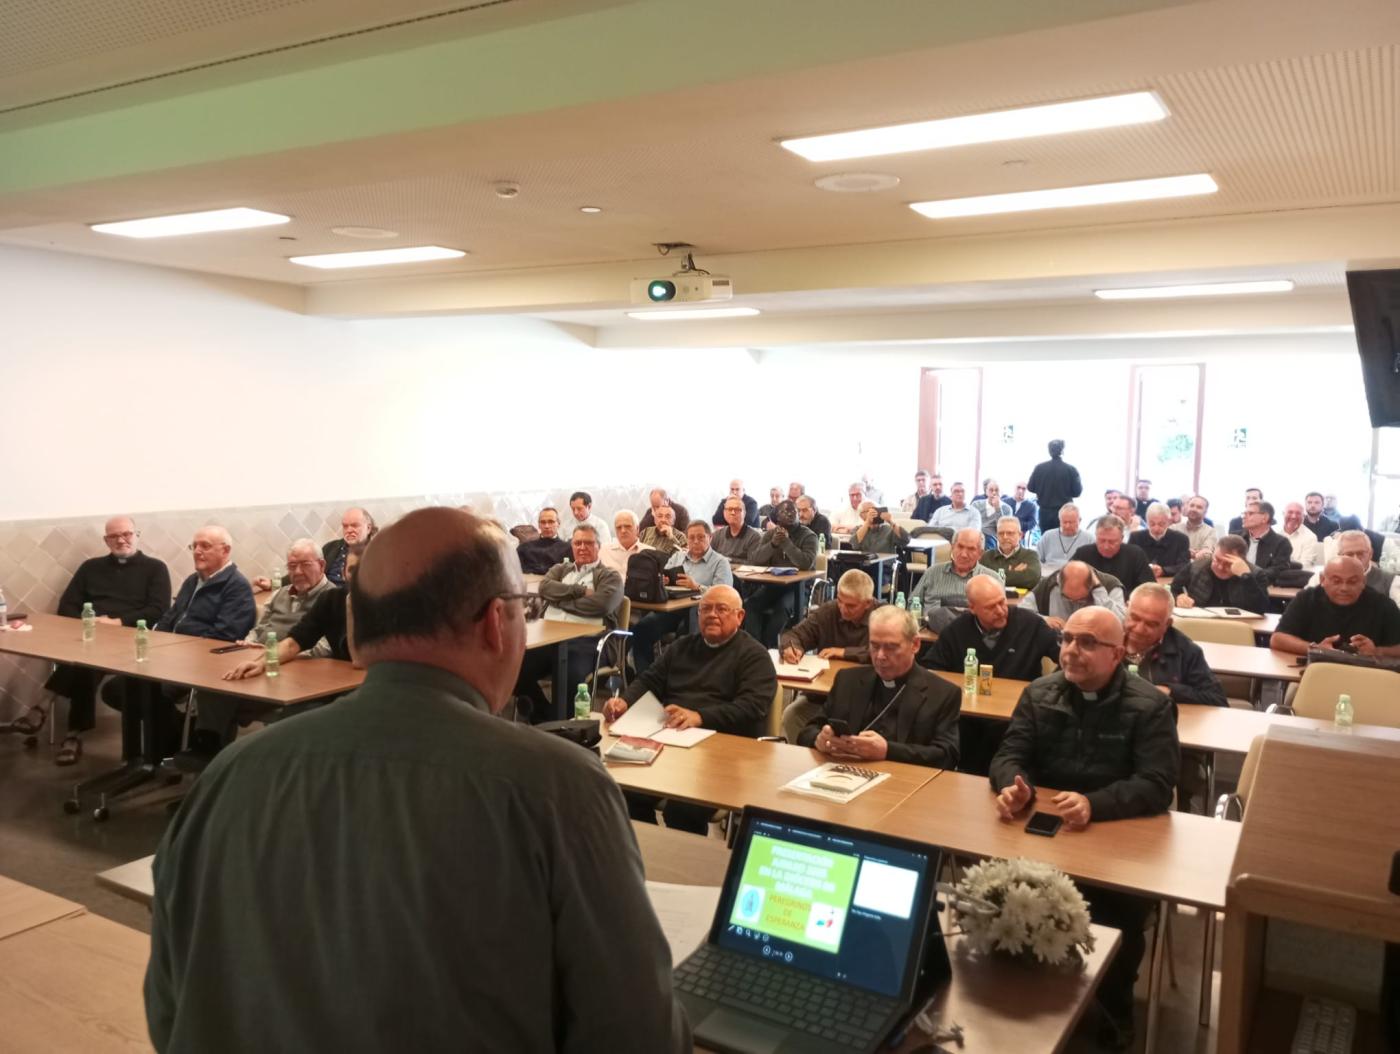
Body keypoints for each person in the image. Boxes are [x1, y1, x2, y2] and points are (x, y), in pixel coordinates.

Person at [146, 508, 688, 1053]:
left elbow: (170, 1002)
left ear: (356, 634)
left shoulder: (229, 774)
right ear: (496, 624)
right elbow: (637, 1032)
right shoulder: (559, 789)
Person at [989, 607, 1178, 1049]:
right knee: (1004, 900)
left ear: (1118, 654)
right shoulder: (1039, 694)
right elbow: (1008, 755)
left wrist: (1095, 804)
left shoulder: (1150, 705)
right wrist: (1015, 788)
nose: (1071, 651)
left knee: (1114, 922)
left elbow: (1156, 784)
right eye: (1067, 640)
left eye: (1087, 643)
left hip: (1119, 839)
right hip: (1045, 829)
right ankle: (1021, 1006)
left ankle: (1113, 1015)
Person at [607, 585, 776, 833]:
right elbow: (649, 679)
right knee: (626, 791)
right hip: (671, 741)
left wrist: (700, 716)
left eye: (722, 609)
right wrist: (625, 701)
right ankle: (649, 854)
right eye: (705, 609)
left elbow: (751, 708)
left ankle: (685, 865)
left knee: (683, 808)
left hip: (723, 751)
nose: (712, 615)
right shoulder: (682, 646)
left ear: (740, 616)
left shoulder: (755, 656)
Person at [100, 527, 256, 760]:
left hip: (200, 665)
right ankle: (175, 735)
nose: (198, 552)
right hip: (168, 656)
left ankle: (165, 746)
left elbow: (224, 635)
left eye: (205, 546)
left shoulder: (236, 586)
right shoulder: (193, 581)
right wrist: (157, 642)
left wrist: (177, 650)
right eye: (195, 546)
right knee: (116, 689)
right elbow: (170, 617)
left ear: (225, 550)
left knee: (146, 692)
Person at [36, 516, 171, 765]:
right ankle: (70, 733)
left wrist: (117, 622)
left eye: (127, 534)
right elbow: (67, 605)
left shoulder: (155, 568)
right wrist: (88, 623)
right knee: (84, 657)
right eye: (114, 536)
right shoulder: (90, 567)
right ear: (106, 540)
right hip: (90, 634)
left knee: (85, 661)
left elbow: (158, 609)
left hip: (132, 637)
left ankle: (52, 715)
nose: (121, 540)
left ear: (137, 534)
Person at [185, 538, 336, 760]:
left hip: (298, 670)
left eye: (305, 564)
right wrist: (249, 643)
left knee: (287, 704)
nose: (298, 572)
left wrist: (273, 658)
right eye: (292, 566)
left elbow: (323, 647)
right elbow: (260, 629)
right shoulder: (281, 593)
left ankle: (264, 760)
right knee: (215, 685)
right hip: (261, 661)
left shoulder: (331, 598)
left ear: (321, 565)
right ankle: (210, 751)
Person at [796, 606, 960, 769]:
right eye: (874, 646)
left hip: (905, 784)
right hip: (844, 774)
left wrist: (888, 751)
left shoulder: (942, 693)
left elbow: (946, 756)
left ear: (915, 645)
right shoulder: (848, 680)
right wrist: (818, 739)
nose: (880, 656)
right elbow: (807, 731)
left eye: (891, 647)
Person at [514, 525, 622, 721]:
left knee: (569, 675)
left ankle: (562, 728)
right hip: (550, 638)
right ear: (571, 546)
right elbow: (545, 588)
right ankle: (545, 719)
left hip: (588, 642)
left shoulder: (609, 576)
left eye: (588, 543)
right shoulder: (559, 569)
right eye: (577, 543)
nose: (582, 547)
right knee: (515, 665)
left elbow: (602, 605)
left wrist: (560, 601)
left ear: (598, 546)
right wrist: (579, 592)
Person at [776, 570, 879, 739]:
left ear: (868, 603)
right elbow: (794, 634)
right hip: (823, 696)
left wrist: (845, 653)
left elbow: (886, 653)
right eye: (840, 601)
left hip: (867, 698)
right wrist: (791, 647)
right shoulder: (829, 611)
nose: (843, 609)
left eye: (851, 606)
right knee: (792, 715)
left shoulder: (882, 616)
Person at [925, 575, 1061, 681]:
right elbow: (931, 667)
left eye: (1002, 602)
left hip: (1020, 708)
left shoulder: (1031, 624)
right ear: (972, 608)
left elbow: (1065, 656)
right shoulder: (957, 630)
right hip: (970, 707)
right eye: (990, 607)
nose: (1001, 611)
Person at [1271, 555, 1400, 658]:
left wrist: (1376, 651)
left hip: (1367, 677)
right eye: (1336, 581)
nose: (1344, 588)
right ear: (1322, 580)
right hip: (1314, 674)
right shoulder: (1307, 599)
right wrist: (1315, 649)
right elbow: (1278, 639)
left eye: (1352, 582)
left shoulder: (1382, 605)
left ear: (1363, 582)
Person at [1123, 583, 1227, 708]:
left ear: (1167, 624)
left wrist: (1170, 691)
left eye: (1151, 624)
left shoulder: (1186, 651)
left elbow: (1217, 699)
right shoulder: (1105, 638)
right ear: (1126, 608)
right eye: (1134, 618)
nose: (1139, 629)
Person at [743, 500, 818, 645]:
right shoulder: (770, 534)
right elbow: (756, 560)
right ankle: (755, 646)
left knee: (782, 607)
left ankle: (770, 646)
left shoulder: (809, 536)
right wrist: (773, 544)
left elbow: (806, 563)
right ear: (777, 516)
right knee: (751, 604)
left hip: (799, 588)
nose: (789, 515)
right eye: (784, 512)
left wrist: (786, 543)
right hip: (773, 585)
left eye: (793, 512)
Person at [910, 528, 999, 632]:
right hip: (931, 635)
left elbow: (997, 616)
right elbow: (912, 603)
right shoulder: (932, 573)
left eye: (971, 549)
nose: (963, 554)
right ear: (952, 547)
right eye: (960, 547)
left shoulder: (992, 579)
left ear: (980, 553)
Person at [1171, 535, 1270, 612]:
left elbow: (1261, 609)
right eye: (1217, 560)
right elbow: (1173, 588)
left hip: (1238, 627)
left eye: (1228, 563)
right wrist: (1178, 597)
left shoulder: (1256, 574)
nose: (1220, 567)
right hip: (1201, 622)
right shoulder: (1197, 566)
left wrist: (1246, 577)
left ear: (1241, 561)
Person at [1305, 529, 1400, 604]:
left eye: (1360, 553)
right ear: (1339, 555)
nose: (1355, 559)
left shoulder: (1391, 582)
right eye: (1349, 554)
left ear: (1370, 554)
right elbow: (1305, 608)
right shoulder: (1320, 578)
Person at [1023, 560, 1126, 628]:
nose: (1074, 602)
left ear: (1092, 584)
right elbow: (1021, 613)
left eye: (1082, 599)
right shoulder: (1049, 584)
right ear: (1059, 582)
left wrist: (1099, 591)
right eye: (1066, 597)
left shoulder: (1111, 586)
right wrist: (1044, 620)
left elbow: (1122, 624)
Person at [1072, 516, 1154, 593]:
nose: (1106, 546)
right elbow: (1064, 577)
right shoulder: (1083, 553)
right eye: (1102, 540)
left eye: (1112, 542)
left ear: (1122, 539)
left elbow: (1149, 587)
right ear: (1096, 536)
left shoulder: (1135, 554)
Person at [1026, 438, 1083, 533]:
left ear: (1049, 451)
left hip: (1045, 512)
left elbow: (1030, 487)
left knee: (1046, 541)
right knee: (1065, 541)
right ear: (1063, 451)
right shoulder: (1071, 469)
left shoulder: (1039, 468)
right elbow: (1077, 492)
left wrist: (1042, 490)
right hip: (1065, 512)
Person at [1234, 500, 1292, 584]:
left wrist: (1249, 576)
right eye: (1244, 513)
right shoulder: (1235, 538)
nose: (1243, 517)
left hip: (1264, 589)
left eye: (1250, 513)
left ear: (1265, 518)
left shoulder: (1281, 543)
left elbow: (1278, 570)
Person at [1129, 502, 1190, 579]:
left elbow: (1184, 566)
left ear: (1169, 521)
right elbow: (1130, 563)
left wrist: (1164, 570)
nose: (1156, 529)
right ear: (1146, 521)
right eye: (1152, 524)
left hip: (1170, 581)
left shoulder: (1181, 539)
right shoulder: (1136, 537)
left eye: (1161, 524)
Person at [978, 516, 1041, 590]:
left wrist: (992, 576)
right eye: (1001, 533)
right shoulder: (987, 556)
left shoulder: (1031, 555)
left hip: (1022, 600)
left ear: (1020, 535)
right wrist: (1014, 573)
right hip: (991, 600)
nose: (1005, 537)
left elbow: (1032, 578)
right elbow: (980, 581)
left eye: (1010, 533)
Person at [321, 507, 375, 587]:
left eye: (355, 525)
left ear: (368, 528)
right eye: (345, 526)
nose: (349, 530)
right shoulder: (330, 548)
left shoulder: (377, 551)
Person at [1036, 503, 1093, 573]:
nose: (1067, 526)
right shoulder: (1048, 536)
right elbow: (1036, 560)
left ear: (1079, 520)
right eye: (1064, 522)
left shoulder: (1089, 539)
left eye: (1071, 522)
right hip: (1048, 575)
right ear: (1059, 521)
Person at [516, 507, 571, 574]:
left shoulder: (568, 549)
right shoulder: (524, 549)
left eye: (551, 522)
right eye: (543, 522)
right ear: (539, 525)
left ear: (558, 524)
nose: (546, 526)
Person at [710, 496, 762, 565]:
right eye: (729, 509)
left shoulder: (754, 537)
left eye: (737, 509)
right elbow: (709, 558)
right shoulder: (717, 535)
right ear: (724, 513)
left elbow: (753, 563)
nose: (733, 513)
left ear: (744, 513)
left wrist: (729, 560)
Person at [599, 509, 651, 577]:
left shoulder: (650, 552)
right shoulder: (603, 551)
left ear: (637, 529)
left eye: (627, 526)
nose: (623, 531)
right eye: (618, 527)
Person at [1279, 501, 1323, 569]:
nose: (1293, 516)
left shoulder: (1310, 537)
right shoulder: (1272, 532)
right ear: (1283, 514)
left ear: (1304, 517)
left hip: (1295, 576)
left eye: (1298, 513)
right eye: (1290, 512)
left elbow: (1304, 565)